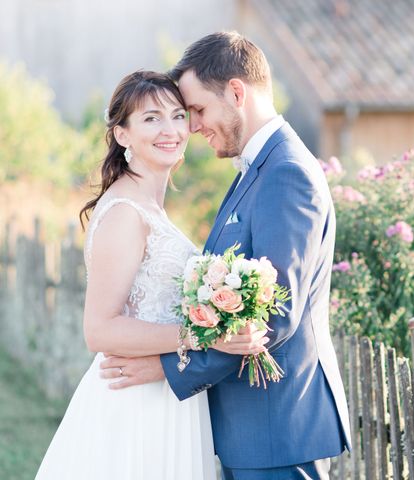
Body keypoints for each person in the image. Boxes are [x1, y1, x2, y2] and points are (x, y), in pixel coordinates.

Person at [101, 32, 351, 479]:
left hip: (277, 429)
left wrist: (167, 368)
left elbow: (274, 316)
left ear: (236, 93)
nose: (191, 127)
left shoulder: (285, 173)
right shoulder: (254, 171)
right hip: (250, 430)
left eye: (195, 110)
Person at [35, 70, 265, 480]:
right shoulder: (126, 213)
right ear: (122, 134)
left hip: (167, 395)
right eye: (151, 118)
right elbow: (100, 330)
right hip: (135, 404)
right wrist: (204, 336)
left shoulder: (150, 207)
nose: (170, 130)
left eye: (178, 116)